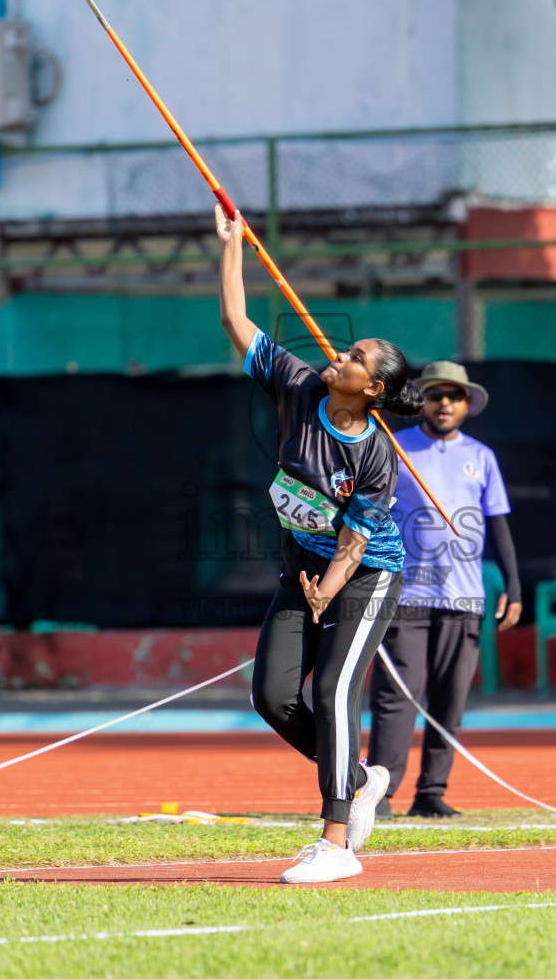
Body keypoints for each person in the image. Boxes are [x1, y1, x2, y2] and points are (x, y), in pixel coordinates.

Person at [215, 203, 423, 882]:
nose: (339, 354)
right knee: (273, 697)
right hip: (299, 570)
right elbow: (237, 324)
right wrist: (231, 249)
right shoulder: (300, 387)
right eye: (346, 350)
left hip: (364, 577)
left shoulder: (375, 459)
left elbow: (356, 546)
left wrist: (325, 590)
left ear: (375, 389)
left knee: (334, 690)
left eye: (354, 358)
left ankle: (336, 843)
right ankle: (359, 778)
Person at [367, 360, 522, 819]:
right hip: (406, 596)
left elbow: (499, 527)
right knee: (396, 697)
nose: (445, 404)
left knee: (450, 696)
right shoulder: (395, 448)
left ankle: (431, 790)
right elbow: (370, 515)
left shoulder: (482, 457)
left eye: (455, 396)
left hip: (464, 598)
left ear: (466, 405)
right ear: (422, 402)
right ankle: (382, 793)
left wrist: (513, 586)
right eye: (436, 395)